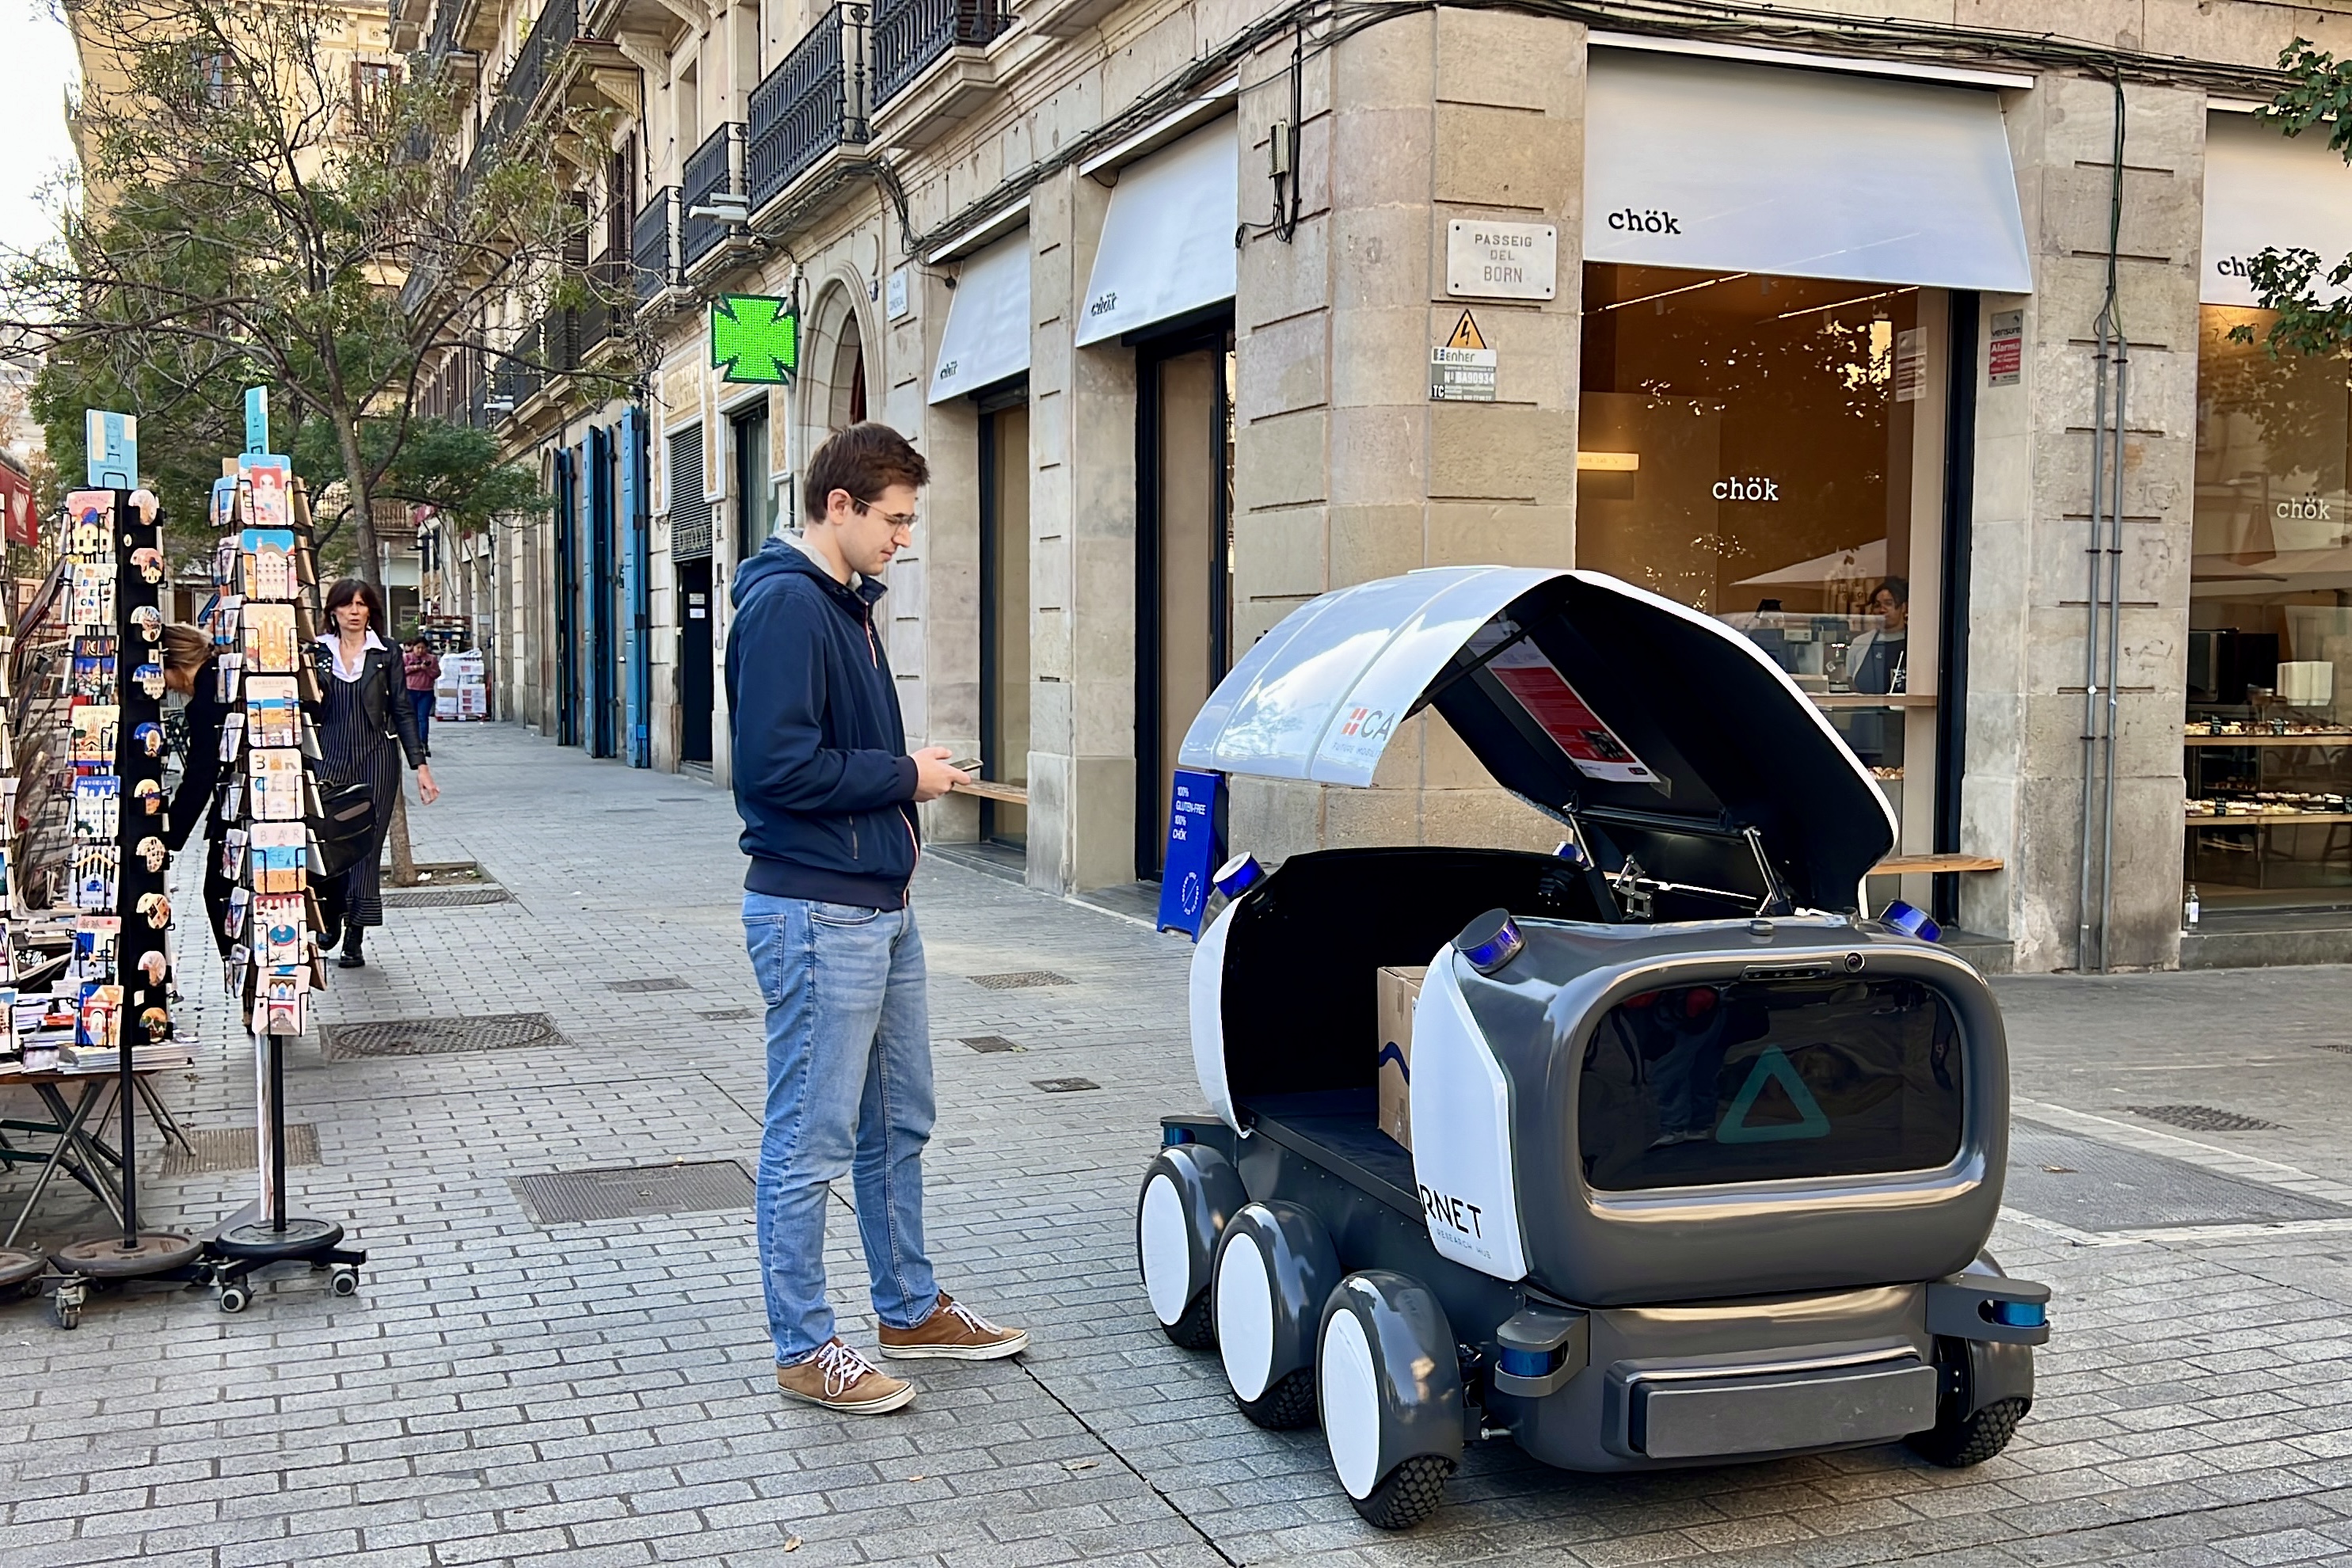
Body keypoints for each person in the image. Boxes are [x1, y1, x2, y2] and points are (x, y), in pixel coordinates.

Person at [728, 421, 1026, 1415]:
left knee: (898, 1120)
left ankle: (907, 1307)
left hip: (874, 908)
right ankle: (805, 1344)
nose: (904, 537)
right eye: (892, 520)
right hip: (817, 914)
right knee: (809, 1140)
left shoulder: (840, 603)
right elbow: (774, 771)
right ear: (839, 506)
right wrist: (909, 775)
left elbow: (825, 753)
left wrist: (908, 769)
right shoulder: (785, 607)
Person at [316, 578, 438, 970]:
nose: (354, 611)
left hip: (376, 757)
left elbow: (402, 711)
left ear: (371, 610)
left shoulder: (386, 654)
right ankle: (330, 915)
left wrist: (421, 766)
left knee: (365, 845)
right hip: (328, 755)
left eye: (361, 604)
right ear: (333, 610)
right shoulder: (317, 652)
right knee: (328, 839)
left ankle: (355, 934)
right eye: (347, 604)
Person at [158, 623, 235, 955]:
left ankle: (241, 968)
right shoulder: (219, 676)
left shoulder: (206, 699)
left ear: (173, 664)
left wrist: (170, 837)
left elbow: (201, 773)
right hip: (244, 799)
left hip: (240, 803)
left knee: (218, 891)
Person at [1849, 577, 1909, 696]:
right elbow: (1851, 685)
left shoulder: (1916, 643)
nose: (1882, 610)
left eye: (1888, 603)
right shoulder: (1859, 644)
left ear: (1903, 607)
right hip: (1865, 713)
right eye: (1877, 605)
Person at [402, 635, 440, 749]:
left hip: (426, 692)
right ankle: (413, 742)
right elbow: (401, 671)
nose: (420, 651)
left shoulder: (431, 659)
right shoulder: (406, 658)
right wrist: (417, 667)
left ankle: (423, 741)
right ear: (413, 647)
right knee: (412, 718)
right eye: (418, 648)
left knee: (423, 717)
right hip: (410, 691)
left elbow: (436, 674)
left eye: (423, 648)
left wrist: (427, 668)